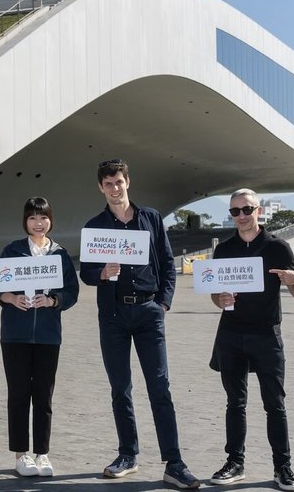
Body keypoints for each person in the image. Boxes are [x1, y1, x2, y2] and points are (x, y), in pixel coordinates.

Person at [79, 159, 199, 489]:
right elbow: (87, 272)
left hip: (148, 312)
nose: (114, 188)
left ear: (127, 182)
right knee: (121, 389)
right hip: (114, 316)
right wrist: (100, 274)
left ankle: (174, 462)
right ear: (100, 188)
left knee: (160, 387)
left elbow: (167, 265)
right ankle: (127, 455)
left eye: (119, 181)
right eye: (108, 184)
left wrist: (162, 304)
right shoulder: (95, 227)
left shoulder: (151, 219)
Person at [208, 188, 294, 492]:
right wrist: (219, 298)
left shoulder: (278, 247)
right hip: (231, 333)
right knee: (235, 403)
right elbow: (215, 293)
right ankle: (235, 463)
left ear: (258, 211)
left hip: (266, 334)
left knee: (274, 404)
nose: (241, 216)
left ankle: (283, 467)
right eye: (235, 211)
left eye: (246, 210)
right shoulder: (224, 249)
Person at [0, 197, 80, 478]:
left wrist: (53, 301)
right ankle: (21, 454)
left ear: (50, 219)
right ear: (25, 221)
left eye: (43, 218)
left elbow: (71, 292)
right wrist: (11, 298)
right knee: (18, 394)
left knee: (43, 395)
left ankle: (42, 453)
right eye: (32, 218)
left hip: (48, 336)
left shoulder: (60, 254)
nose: (38, 223)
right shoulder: (13, 250)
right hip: (15, 335)